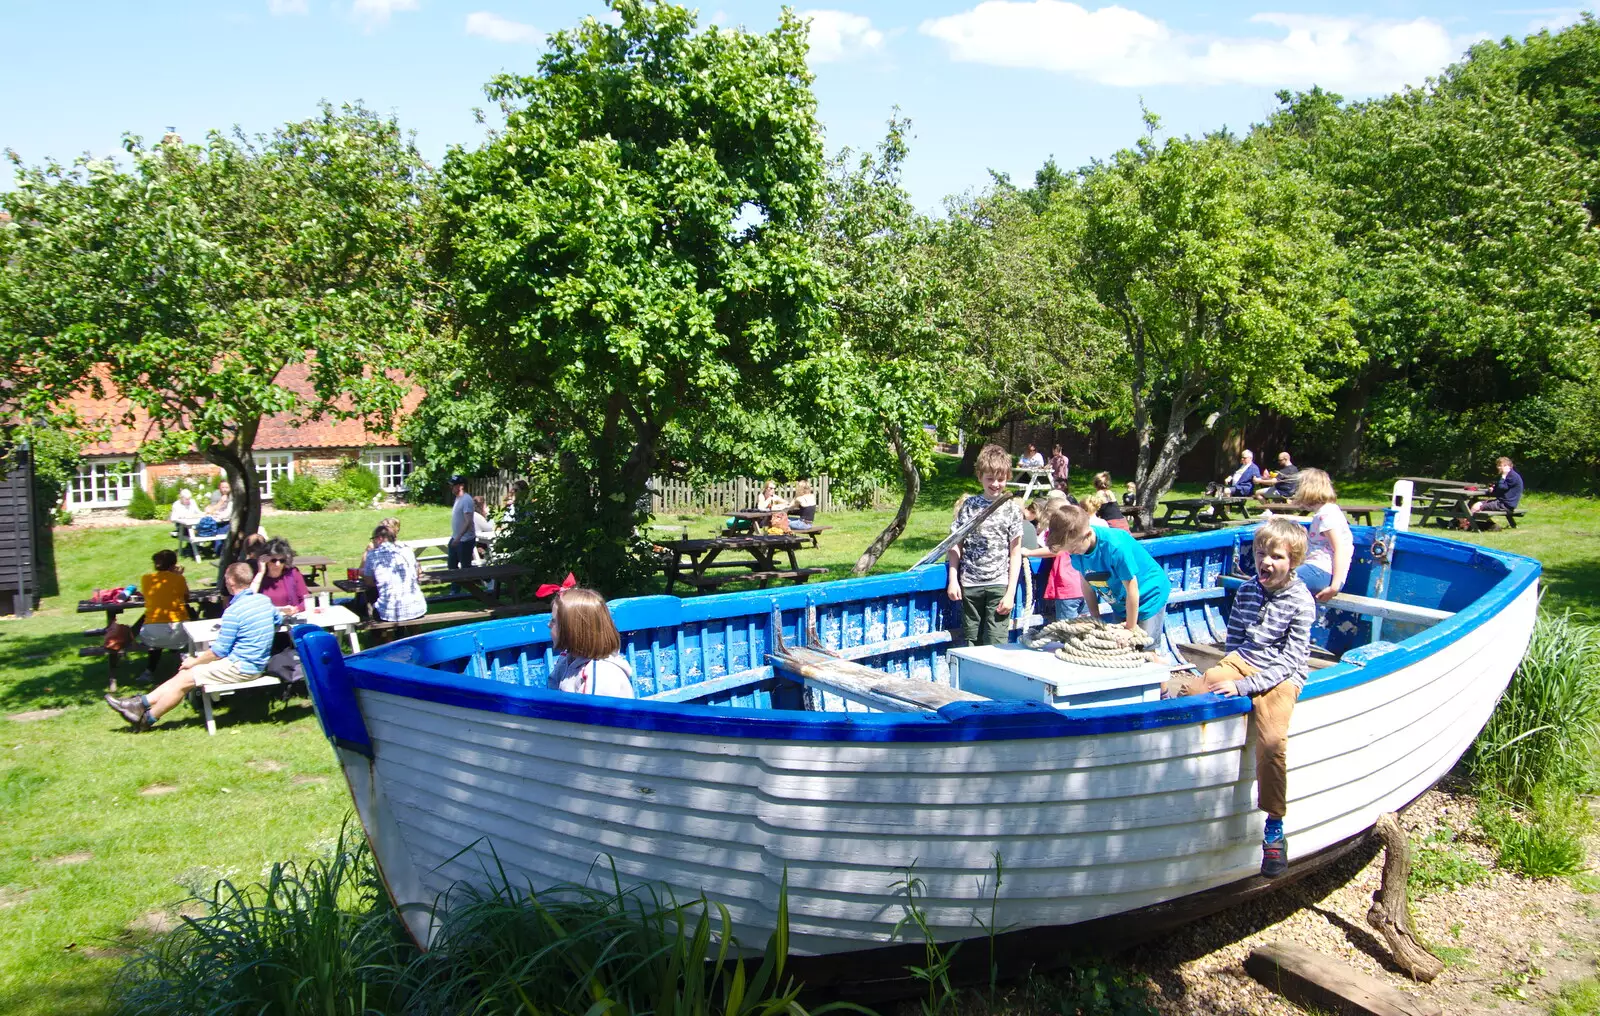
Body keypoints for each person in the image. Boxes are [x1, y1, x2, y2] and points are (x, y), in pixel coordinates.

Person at [1164, 518, 1315, 878]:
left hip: (1281, 675)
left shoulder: (1301, 600)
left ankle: (1274, 828)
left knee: (1273, 742)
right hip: (1243, 661)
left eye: (1276, 556)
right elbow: (1234, 643)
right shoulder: (1248, 590)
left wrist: (1245, 689)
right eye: (1261, 553)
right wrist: (1230, 675)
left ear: (1292, 561)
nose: (1266, 561)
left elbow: (1291, 660)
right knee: (1197, 690)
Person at [105, 562, 276, 731]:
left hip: (243, 667)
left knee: (186, 678)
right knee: (185, 675)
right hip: (253, 663)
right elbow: (277, 619)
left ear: (230, 581)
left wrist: (194, 661)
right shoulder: (264, 601)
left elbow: (219, 651)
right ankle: (138, 705)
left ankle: (145, 718)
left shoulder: (234, 611)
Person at [1045, 504, 1170, 641]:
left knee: (1142, 648)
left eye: (1073, 548)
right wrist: (1095, 618)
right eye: (1067, 550)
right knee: (1118, 645)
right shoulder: (1077, 549)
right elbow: (1086, 584)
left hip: (1148, 595)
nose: (1071, 553)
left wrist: (1130, 628)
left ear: (1087, 535)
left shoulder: (1115, 546)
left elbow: (1132, 588)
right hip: (1120, 601)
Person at [947, 444, 1024, 647]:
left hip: (998, 585)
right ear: (980, 476)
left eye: (1001, 479)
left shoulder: (1012, 509)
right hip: (970, 585)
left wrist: (1010, 593)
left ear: (1007, 477)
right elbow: (955, 545)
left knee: (996, 643)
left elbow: (1015, 553)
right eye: (990, 478)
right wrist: (953, 579)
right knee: (971, 642)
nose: (996, 484)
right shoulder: (969, 506)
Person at [547, 587, 637, 698]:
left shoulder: (600, 675)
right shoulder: (566, 659)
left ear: (573, 629)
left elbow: (590, 714)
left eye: (554, 621)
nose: (548, 624)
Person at [1283, 467, 1350, 602]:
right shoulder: (1326, 512)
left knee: (1276, 582)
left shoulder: (1327, 515)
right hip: (1321, 572)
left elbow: (1340, 550)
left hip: (1323, 572)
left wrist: (1335, 586)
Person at [136, 549, 190, 683]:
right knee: (190, 621)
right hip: (179, 631)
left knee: (157, 636)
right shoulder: (179, 579)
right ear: (174, 564)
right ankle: (182, 664)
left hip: (152, 633)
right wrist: (178, 576)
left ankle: (149, 671)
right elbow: (186, 597)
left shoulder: (146, 579)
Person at [362, 525, 427, 628]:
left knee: (372, 598)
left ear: (379, 538)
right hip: (417, 608)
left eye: (373, 539)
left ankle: (388, 640)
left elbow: (368, 582)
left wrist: (366, 552)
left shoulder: (373, 555)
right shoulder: (407, 551)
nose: (372, 542)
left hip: (389, 612)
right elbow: (418, 571)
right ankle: (413, 635)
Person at [253, 537, 308, 615]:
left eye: (282, 561)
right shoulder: (257, 577)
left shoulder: (293, 573)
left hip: (290, 619)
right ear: (265, 560)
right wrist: (261, 572)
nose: (277, 564)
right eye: (273, 560)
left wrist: (296, 609)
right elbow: (249, 599)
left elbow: (306, 600)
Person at [448, 475, 476, 570]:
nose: (451, 487)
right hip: (456, 538)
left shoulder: (466, 500)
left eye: (453, 485)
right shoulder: (457, 498)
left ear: (461, 486)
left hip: (465, 540)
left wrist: (458, 538)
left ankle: (488, 578)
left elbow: (468, 521)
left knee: (466, 568)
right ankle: (456, 585)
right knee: (452, 567)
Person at [472, 495, 496, 563]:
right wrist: (489, 515)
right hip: (477, 544)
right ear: (482, 505)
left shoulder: (471, 514)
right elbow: (490, 529)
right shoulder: (477, 516)